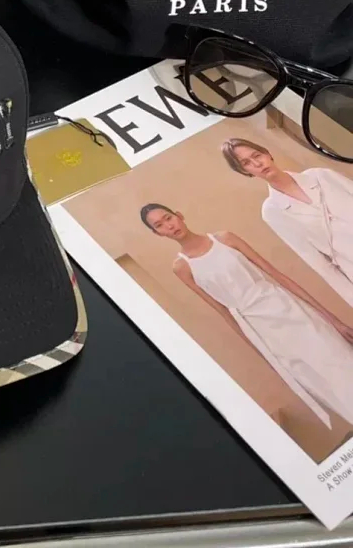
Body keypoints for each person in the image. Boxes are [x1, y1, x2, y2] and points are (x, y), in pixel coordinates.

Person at [141, 203, 353, 428]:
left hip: (286, 307)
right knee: (317, 380)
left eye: (168, 217)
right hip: (259, 330)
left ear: (179, 215)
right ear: (157, 233)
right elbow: (223, 311)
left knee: (339, 360)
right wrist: (264, 356)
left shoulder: (224, 239)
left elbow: (277, 275)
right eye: (159, 225)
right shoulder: (182, 268)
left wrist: (334, 321)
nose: (169, 226)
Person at [222, 138, 353, 308]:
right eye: (246, 163)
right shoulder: (272, 211)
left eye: (257, 155)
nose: (257, 163)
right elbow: (317, 262)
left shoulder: (320, 176)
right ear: (244, 171)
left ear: (267, 154)